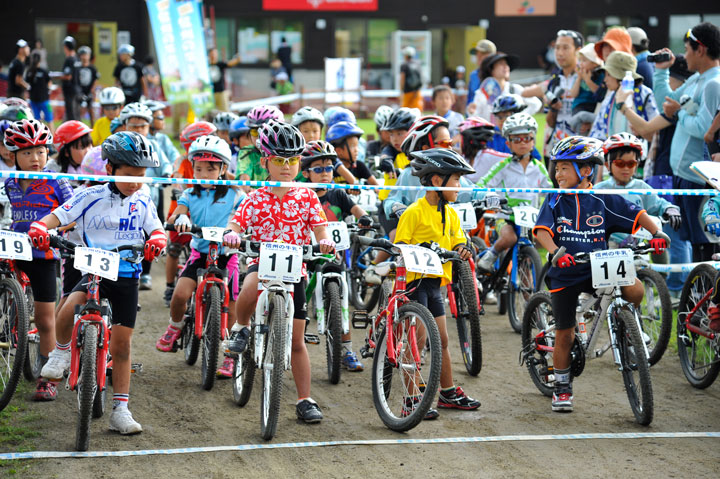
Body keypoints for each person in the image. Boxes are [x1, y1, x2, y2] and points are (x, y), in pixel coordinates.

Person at [31, 131, 165, 434]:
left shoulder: (143, 200)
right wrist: (40, 226)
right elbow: (56, 216)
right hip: (94, 272)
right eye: (128, 174)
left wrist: (156, 239)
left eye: (141, 175)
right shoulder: (90, 195)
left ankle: (121, 409)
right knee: (68, 307)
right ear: (110, 170)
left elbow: (157, 230)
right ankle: (61, 352)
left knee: (122, 345)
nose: (135, 182)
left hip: (127, 275)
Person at [532, 136, 668, 412]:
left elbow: (637, 212)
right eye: (556, 169)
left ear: (585, 171)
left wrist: (657, 232)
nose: (557, 174)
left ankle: (625, 324)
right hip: (565, 272)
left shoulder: (602, 199)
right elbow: (542, 231)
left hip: (598, 267)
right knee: (564, 334)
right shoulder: (555, 200)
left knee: (634, 288)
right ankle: (561, 386)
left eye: (564, 169)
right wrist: (556, 251)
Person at [222, 120, 334, 423]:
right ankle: (240, 327)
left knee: (297, 341)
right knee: (250, 283)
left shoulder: (307, 196)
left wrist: (324, 242)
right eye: (279, 160)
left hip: (294, 270)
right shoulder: (255, 197)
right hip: (262, 262)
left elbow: (320, 229)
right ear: (265, 162)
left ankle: (304, 398)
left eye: (293, 160)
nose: (287, 166)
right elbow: (236, 223)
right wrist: (232, 234)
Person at [395, 147, 482, 417]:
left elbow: (458, 238)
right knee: (417, 342)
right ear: (436, 181)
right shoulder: (414, 212)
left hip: (436, 284)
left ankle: (447, 392)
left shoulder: (451, 213)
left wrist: (464, 248)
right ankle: (411, 398)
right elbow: (399, 246)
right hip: (414, 284)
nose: (460, 186)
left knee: (442, 339)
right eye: (456, 180)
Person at [156, 136, 244, 378]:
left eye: (211, 168)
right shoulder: (189, 193)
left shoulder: (236, 194)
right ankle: (175, 327)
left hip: (227, 255)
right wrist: (181, 219)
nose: (204, 173)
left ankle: (230, 355)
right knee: (180, 294)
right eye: (199, 168)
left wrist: (234, 230)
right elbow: (177, 213)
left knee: (233, 301)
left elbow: (243, 216)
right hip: (199, 254)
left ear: (223, 169)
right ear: (192, 168)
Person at [4, 119, 74, 401]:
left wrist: (56, 230)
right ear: (13, 156)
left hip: (44, 256)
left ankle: (48, 377)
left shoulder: (57, 181)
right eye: (27, 152)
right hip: (14, 251)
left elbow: (73, 213)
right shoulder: (8, 181)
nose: (35, 158)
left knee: (46, 321)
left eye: (41, 151)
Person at [300, 140, 373, 371]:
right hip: (307, 256)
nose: (325, 173)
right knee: (298, 296)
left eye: (329, 168)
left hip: (334, 257)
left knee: (341, 297)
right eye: (318, 169)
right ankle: (291, 340)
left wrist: (364, 218)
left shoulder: (339, 193)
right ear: (306, 173)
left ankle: (346, 350)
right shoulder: (301, 194)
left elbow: (355, 209)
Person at [652, 23, 720, 262]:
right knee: (694, 242)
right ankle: (699, 295)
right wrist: (661, 72)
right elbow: (666, 103)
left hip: (701, 178)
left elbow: (704, 129)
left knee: (705, 245)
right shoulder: (698, 79)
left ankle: (705, 295)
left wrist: (679, 113)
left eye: (687, 48)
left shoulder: (713, 83)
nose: (684, 53)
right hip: (685, 175)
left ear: (700, 49)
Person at [476, 112, 552, 273]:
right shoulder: (503, 166)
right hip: (505, 216)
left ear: (533, 141)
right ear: (508, 143)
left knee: (533, 249)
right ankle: (491, 255)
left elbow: (549, 190)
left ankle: (531, 291)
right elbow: (483, 183)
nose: (522, 142)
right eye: (516, 139)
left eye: (527, 138)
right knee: (510, 237)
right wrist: (489, 196)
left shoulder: (538, 167)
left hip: (529, 218)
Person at [164, 121, 218, 305]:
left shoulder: (217, 159)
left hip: (207, 207)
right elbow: (177, 176)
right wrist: (179, 188)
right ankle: (170, 285)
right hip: (182, 209)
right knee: (173, 249)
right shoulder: (182, 160)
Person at [595, 133, 681, 249]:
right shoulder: (599, 190)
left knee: (660, 249)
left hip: (637, 246)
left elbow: (659, 204)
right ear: (607, 165)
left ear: (637, 164)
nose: (626, 168)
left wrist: (670, 209)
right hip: (607, 246)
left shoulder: (642, 187)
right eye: (620, 163)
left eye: (631, 164)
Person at [523, 30, 583, 163]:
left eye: (565, 48)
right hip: (556, 149)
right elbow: (550, 122)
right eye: (557, 48)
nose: (560, 53)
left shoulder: (586, 78)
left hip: (582, 150)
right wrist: (553, 109)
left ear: (578, 50)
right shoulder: (554, 80)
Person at [589, 51, 658, 143]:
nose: (605, 80)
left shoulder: (644, 94)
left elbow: (656, 130)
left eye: (609, 74)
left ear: (620, 76)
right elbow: (598, 131)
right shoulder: (609, 98)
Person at [468, 52, 542, 122]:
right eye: (501, 63)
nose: (505, 67)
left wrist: (517, 119)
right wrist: (471, 112)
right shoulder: (483, 92)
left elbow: (536, 104)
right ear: (491, 69)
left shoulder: (514, 89)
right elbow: (475, 116)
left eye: (506, 64)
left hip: (511, 134)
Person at [236, 104, 284, 184]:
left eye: (266, 131)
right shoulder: (246, 153)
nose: (261, 137)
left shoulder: (290, 153)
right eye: (255, 132)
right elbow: (244, 185)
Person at [486, 94, 542, 160]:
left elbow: (537, 159)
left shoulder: (521, 136)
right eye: (499, 117)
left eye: (506, 116)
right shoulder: (490, 135)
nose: (502, 120)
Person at [326, 121, 377, 187]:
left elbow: (376, 186)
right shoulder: (330, 169)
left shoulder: (360, 166)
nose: (357, 150)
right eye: (353, 146)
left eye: (357, 145)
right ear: (339, 151)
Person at [458, 116, 507, 183]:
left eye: (461, 137)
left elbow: (511, 159)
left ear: (469, 140)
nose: (459, 141)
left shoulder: (488, 156)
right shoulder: (464, 158)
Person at [145, 100, 181, 177]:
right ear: (149, 120)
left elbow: (174, 155)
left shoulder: (163, 138)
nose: (163, 120)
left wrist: (172, 169)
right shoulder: (144, 139)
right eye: (160, 117)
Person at [569, 43, 606, 114]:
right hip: (579, 106)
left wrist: (587, 80)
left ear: (595, 63)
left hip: (593, 106)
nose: (581, 64)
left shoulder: (600, 75)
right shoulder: (579, 75)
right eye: (580, 60)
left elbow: (598, 92)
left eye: (584, 61)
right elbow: (573, 94)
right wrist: (579, 79)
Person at [467, 39, 497, 105]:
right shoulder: (473, 75)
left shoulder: (497, 75)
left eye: (483, 53)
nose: (479, 56)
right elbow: (470, 97)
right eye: (477, 53)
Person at [25, 52, 53, 125]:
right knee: (49, 120)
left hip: (36, 99)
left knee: (37, 121)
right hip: (43, 99)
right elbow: (49, 83)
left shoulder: (29, 71)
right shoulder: (41, 70)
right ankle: (52, 136)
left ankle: (38, 135)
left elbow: (26, 84)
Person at [76, 46, 99, 124]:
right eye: (83, 55)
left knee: (91, 110)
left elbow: (95, 80)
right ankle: (79, 126)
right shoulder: (77, 68)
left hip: (89, 91)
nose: (84, 57)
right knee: (78, 111)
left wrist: (93, 90)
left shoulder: (92, 68)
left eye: (86, 55)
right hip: (80, 92)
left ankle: (93, 127)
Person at [60, 36, 80, 121]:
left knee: (71, 114)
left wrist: (55, 76)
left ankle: (74, 132)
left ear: (66, 47)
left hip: (69, 90)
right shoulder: (77, 59)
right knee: (75, 113)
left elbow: (68, 76)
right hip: (76, 89)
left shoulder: (69, 60)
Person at [399, 46, 423, 110]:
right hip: (417, 91)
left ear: (406, 55)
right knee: (417, 110)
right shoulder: (418, 64)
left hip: (407, 91)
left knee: (405, 110)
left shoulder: (404, 65)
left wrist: (401, 90)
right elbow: (420, 77)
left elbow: (402, 78)